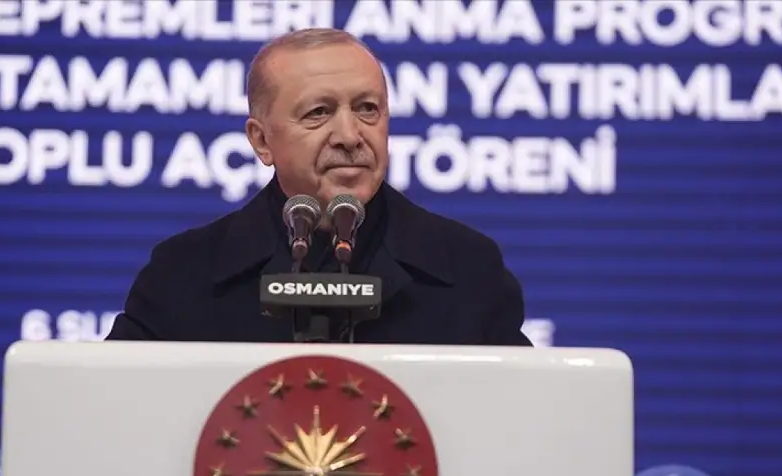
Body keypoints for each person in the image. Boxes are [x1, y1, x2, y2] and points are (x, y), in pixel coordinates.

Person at [106, 28, 532, 346]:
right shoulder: (184, 275)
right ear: (261, 141)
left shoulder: (467, 269)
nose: (350, 135)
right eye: (318, 113)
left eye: (368, 109)